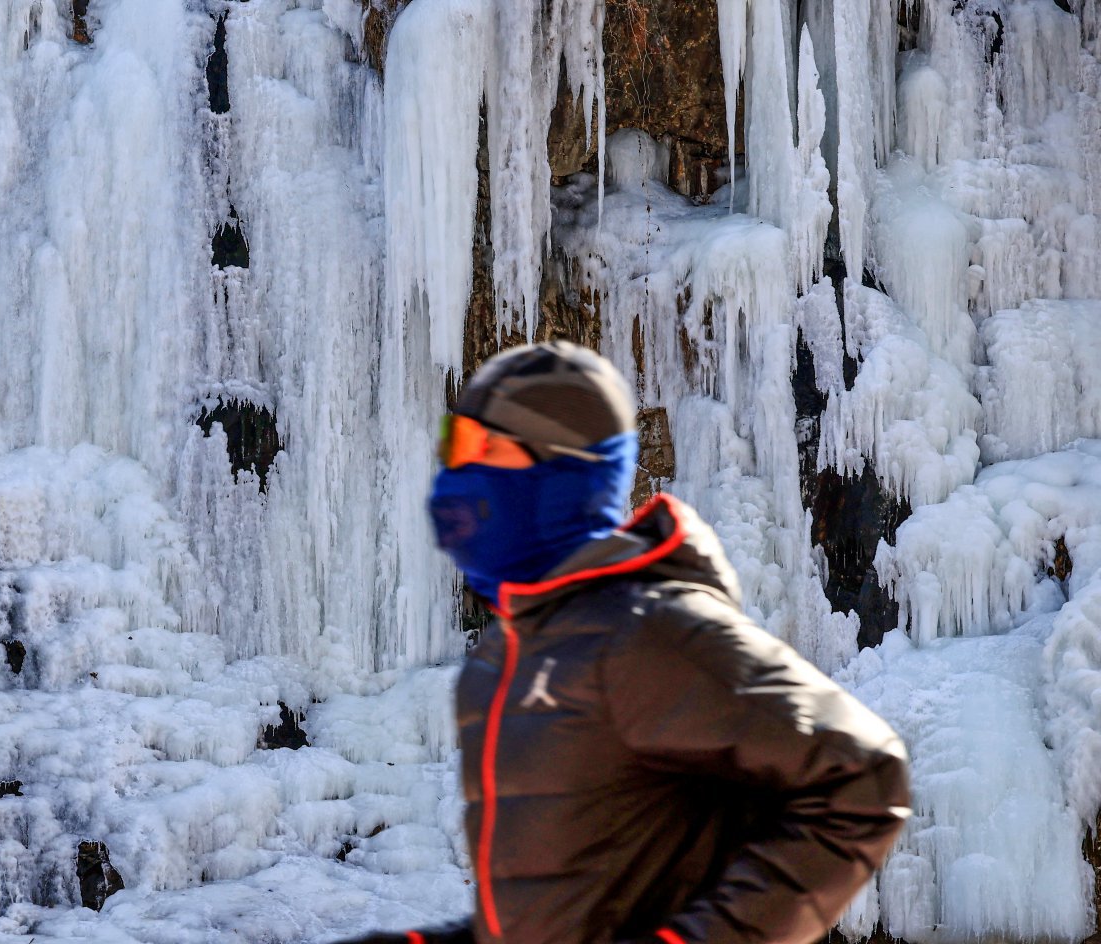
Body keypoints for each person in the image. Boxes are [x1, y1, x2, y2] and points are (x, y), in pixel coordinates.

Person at [338, 342, 911, 944]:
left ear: (558, 475)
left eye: (483, 449)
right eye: (452, 448)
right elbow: (556, 909)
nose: (455, 477)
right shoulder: (500, 663)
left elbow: (865, 774)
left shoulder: (651, 631)